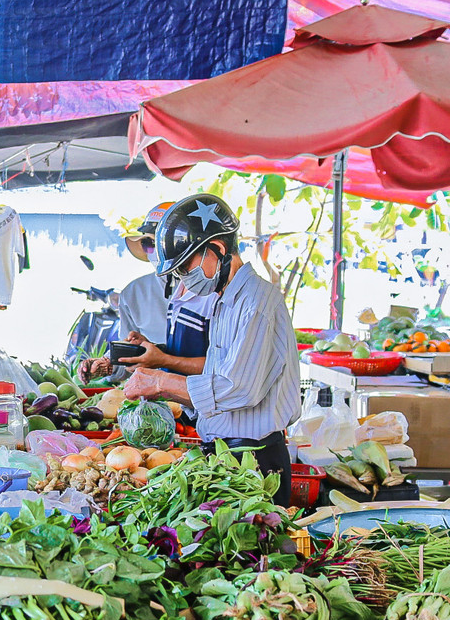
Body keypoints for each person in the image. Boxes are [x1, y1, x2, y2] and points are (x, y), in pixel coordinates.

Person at [122, 194, 301, 505]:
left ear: (217, 250)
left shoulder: (256, 302)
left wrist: (160, 382)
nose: (182, 277)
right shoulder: (226, 300)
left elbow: (237, 388)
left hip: (254, 460)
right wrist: (163, 390)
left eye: (185, 265)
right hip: (227, 454)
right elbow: (218, 376)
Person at [79, 202, 211, 382]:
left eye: (161, 242)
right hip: (153, 399)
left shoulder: (211, 289)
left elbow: (223, 365)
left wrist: (163, 359)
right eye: (149, 243)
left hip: (203, 395)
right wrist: (107, 363)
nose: (156, 251)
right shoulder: (133, 293)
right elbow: (129, 357)